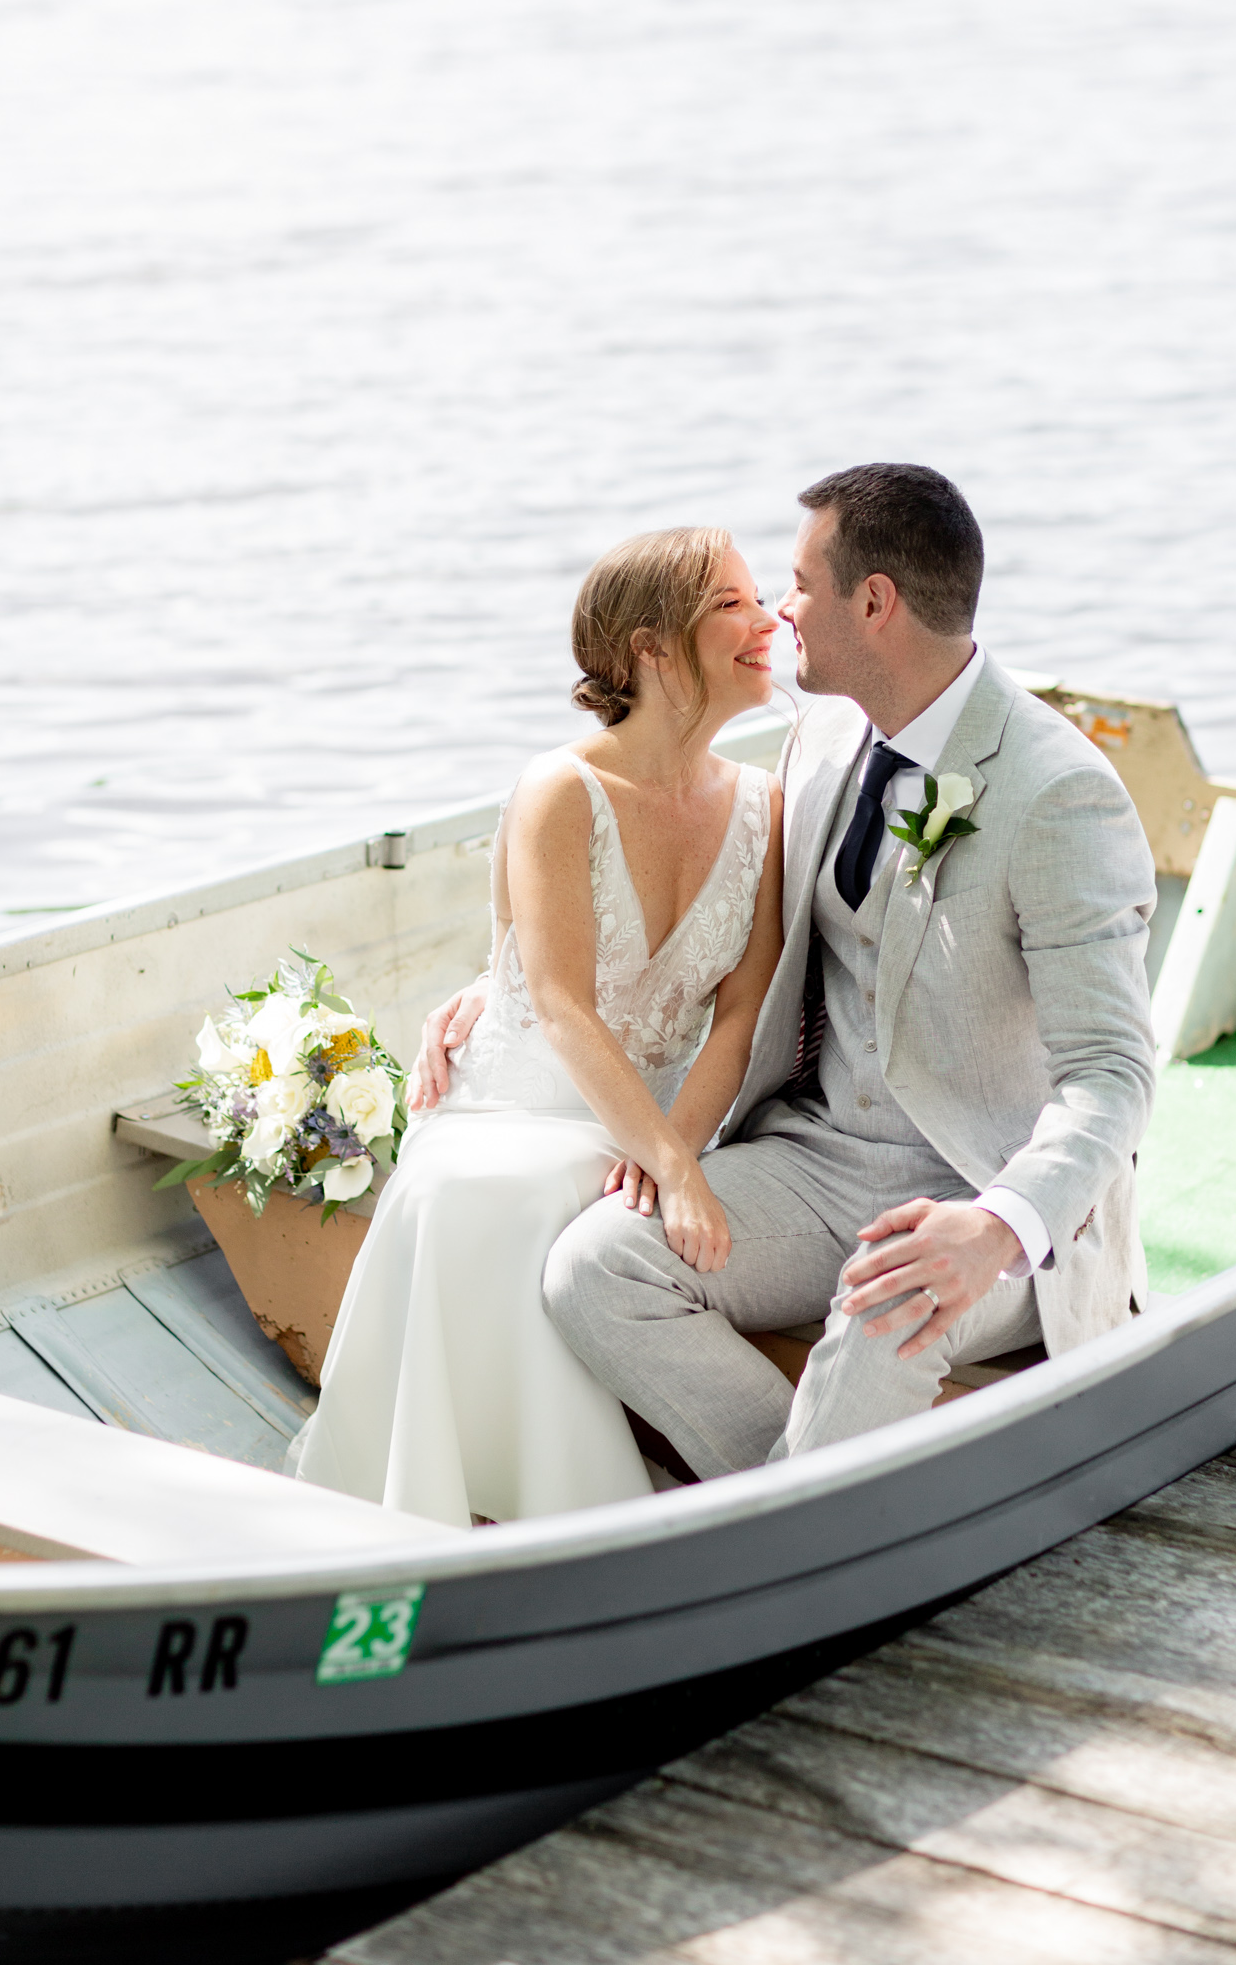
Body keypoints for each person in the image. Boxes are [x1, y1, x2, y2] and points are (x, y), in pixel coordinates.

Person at [423, 464, 1156, 1481]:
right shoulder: (822, 729)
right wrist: (498, 984)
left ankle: (766, 1550)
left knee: (884, 1303)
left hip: (983, 1188)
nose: (779, 608)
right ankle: (791, 1504)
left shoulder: (1058, 792)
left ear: (873, 602)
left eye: (799, 584)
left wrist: (993, 1227)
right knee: (598, 1267)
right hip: (816, 1158)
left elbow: (1113, 1075)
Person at [291, 526, 784, 1527]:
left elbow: (740, 1017)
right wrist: (668, 1167)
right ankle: (486, 1497)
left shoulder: (765, 806)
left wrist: (673, 1151)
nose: (767, 618)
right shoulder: (559, 788)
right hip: (519, 1091)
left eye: (763, 596)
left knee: (589, 1194)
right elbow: (558, 1001)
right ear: (650, 648)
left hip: (656, 1112)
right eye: (733, 603)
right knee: (503, 1189)